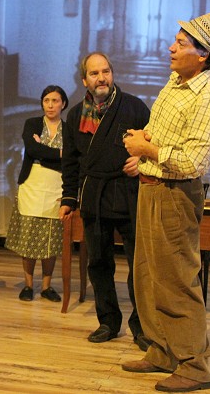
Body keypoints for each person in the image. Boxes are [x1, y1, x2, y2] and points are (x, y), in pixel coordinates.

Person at [122, 12, 210, 392]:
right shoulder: (175, 82)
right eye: (175, 40)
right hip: (151, 187)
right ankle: (163, 349)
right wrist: (144, 138)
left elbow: (193, 162)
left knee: (178, 280)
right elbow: (165, 133)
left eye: (181, 44)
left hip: (175, 194)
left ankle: (194, 366)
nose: (171, 47)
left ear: (202, 55)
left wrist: (146, 148)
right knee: (148, 275)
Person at [59, 52, 150, 351]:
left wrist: (143, 161)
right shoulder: (75, 116)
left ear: (112, 73)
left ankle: (142, 326)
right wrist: (69, 198)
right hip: (95, 196)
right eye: (95, 73)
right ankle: (108, 321)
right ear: (84, 80)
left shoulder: (134, 107)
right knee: (98, 263)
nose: (102, 78)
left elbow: (155, 143)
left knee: (139, 265)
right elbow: (70, 163)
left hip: (129, 193)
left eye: (106, 71)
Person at [5, 85, 68, 303]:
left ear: (63, 104)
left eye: (55, 101)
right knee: (29, 236)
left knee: (51, 237)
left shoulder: (69, 130)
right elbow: (32, 150)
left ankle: (47, 286)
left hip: (56, 186)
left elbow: (70, 157)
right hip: (32, 184)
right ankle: (28, 284)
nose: (50, 105)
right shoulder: (32, 123)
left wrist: (47, 152)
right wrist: (59, 153)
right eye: (46, 101)